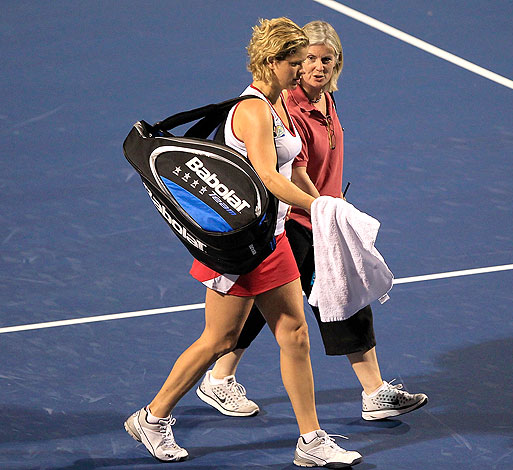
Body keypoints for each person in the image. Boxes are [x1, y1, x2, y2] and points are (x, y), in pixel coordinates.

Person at [124, 17, 362, 468]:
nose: (303, 70)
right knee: (219, 338)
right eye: (295, 63)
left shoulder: (277, 107)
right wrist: (322, 209)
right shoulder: (253, 111)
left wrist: (327, 209)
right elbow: (270, 178)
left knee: (294, 335)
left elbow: (293, 169)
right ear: (272, 63)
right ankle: (152, 418)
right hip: (238, 251)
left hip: (271, 243)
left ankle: (310, 441)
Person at [197, 20, 428, 423]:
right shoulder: (284, 108)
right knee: (296, 304)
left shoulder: (326, 99)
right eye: (309, 60)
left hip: (317, 215)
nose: (318, 67)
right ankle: (214, 380)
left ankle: (371, 391)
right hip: (300, 218)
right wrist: (324, 209)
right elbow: (293, 171)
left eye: (328, 59)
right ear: (296, 64)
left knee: (341, 298)